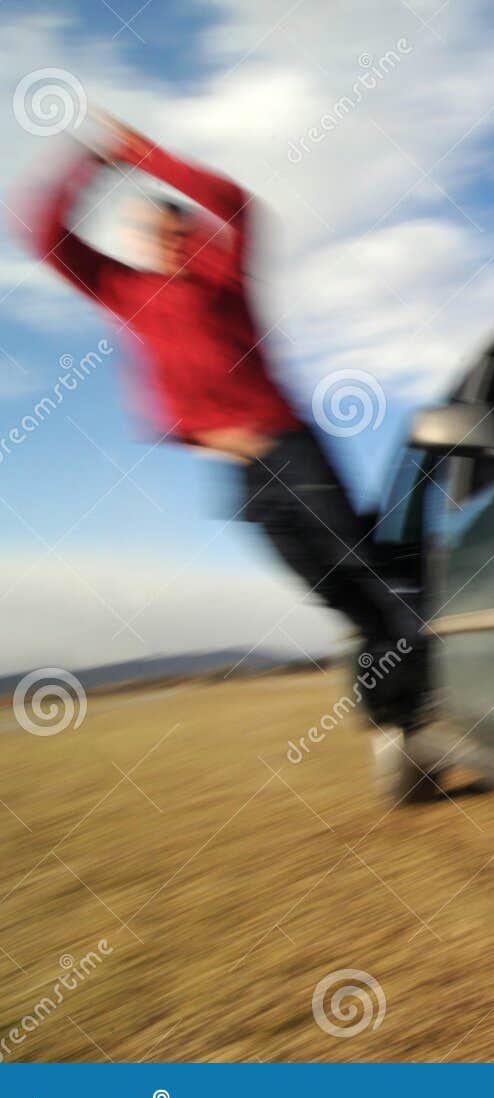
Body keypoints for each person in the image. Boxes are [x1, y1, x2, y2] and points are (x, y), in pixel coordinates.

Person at [21, 114, 426, 743]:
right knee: (331, 589)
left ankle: (409, 709)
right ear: (138, 240)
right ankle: (398, 712)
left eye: (179, 230)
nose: (170, 242)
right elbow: (46, 238)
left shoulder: (221, 277)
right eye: (155, 234)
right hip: (244, 473)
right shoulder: (125, 290)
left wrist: (140, 151)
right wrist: (93, 165)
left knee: (366, 569)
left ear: (195, 236)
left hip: (291, 446)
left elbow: (233, 204)